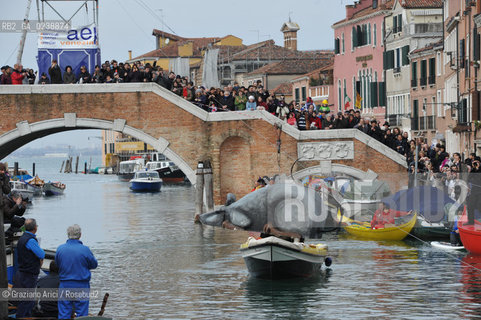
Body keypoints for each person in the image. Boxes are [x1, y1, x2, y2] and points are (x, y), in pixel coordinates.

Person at [56, 224, 98, 319]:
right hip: (81, 285)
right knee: (82, 314)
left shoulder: (60, 249)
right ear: (80, 235)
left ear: (68, 234)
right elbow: (94, 265)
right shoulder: (85, 250)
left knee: (64, 313)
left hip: (65, 284)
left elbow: (58, 264)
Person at [14, 218, 45, 318]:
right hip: (29, 273)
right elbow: (41, 254)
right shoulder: (30, 240)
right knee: (28, 300)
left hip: (22, 271)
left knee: (25, 298)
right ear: (35, 228)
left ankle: (25, 316)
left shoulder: (22, 238)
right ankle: (22, 317)